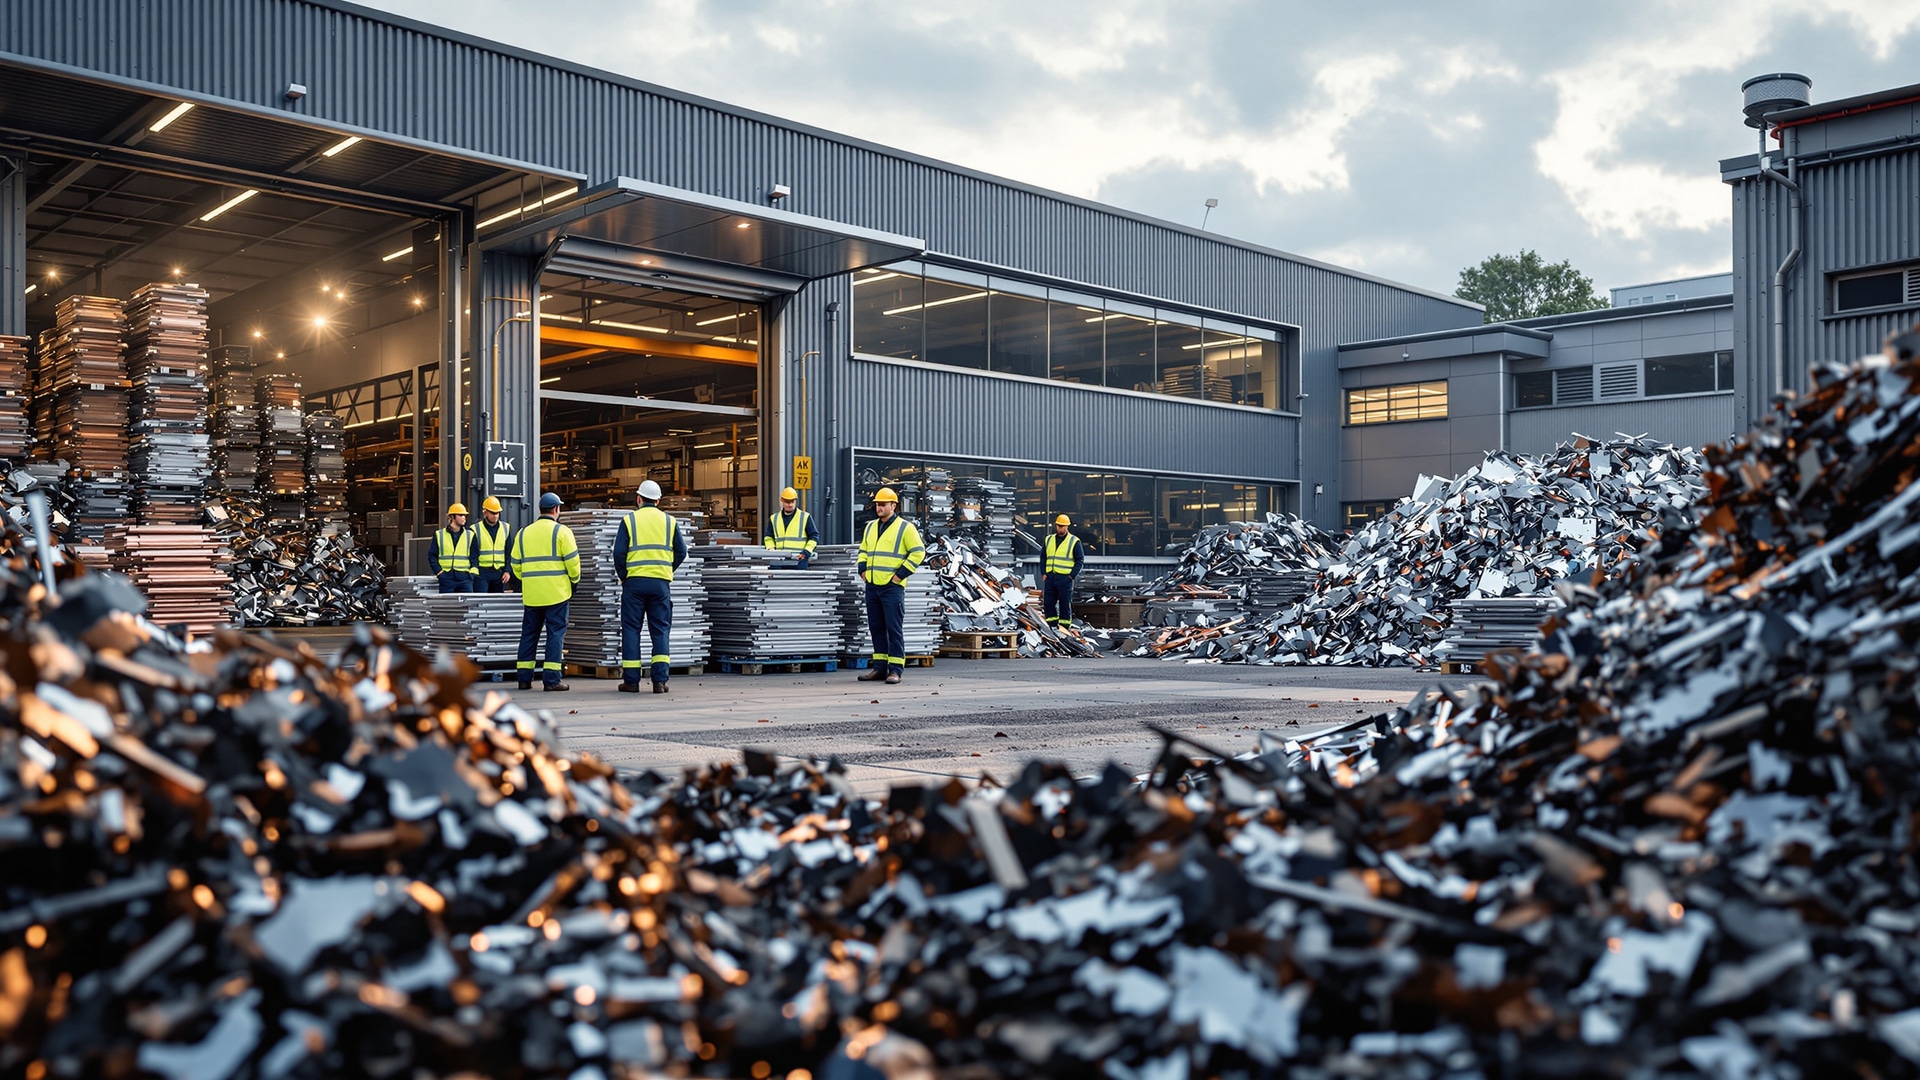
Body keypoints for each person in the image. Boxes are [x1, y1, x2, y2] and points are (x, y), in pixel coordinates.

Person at [612, 479, 687, 693]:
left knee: (631, 630)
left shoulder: (629, 520)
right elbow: (681, 552)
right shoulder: (669, 521)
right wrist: (666, 570)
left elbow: (618, 553)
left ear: (638, 498)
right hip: (660, 584)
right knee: (660, 630)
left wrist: (624, 576)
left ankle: (631, 681)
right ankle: (660, 681)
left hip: (634, 583)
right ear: (658, 500)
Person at [508, 491, 580, 691]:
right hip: (557, 594)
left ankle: (524, 678)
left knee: (529, 634)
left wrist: (528, 580)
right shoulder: (562, 532)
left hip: (532, 595)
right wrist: (574, 581)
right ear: (556, 509)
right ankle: (551, 680)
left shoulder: (523, 533)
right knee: (555, 634)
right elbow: (573, 563)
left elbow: (515, 564)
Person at [856, 487, 924, 685]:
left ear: (893, 505)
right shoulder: (870, 527)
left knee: (893, 629)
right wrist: (862, 569)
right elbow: (863, 550)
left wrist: (900, 575)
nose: (879, 507)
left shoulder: (906, 528)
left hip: (892, 587)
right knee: (876, 627)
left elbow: (918, 552)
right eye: (877, 504)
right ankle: (879, 668)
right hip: (873, 584)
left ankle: (895, 670)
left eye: (883, 504)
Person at [1042, 513, 1085, 628]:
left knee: (1064, 604)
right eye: (1059, 526)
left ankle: (1064, 627)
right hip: (1051, 577)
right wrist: (1044, 572)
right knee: (1048, 602)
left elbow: (1080, 560)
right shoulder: (1049, 539)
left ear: (1067, 527)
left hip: (1065, 578)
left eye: (1063, 526)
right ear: (1056, 526)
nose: (1060, 528)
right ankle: (1051, 625)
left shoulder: (1074, 541)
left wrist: (1072, 576)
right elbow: (1043, 557)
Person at [762, 486, 818, 568]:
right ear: (781, 500)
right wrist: (771, 550)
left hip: (798, 560)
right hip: (779, 561)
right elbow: (768, 537)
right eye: (787, 502)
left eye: (792, 501)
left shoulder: (805, 517)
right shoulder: (774, 518)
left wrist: (806, 552)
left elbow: (814, 536)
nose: (790, 504)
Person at [431, 502, 477, 593]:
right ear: (452, 517)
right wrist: (439, 572)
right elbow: (432, 555)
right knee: (447, 605)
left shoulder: (470, 535)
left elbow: (475, 556)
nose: (464, 517)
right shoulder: (439, 534)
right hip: (447, 577)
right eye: (461, 515)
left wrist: (472, 574)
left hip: (465, 578)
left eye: (465, 515)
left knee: (467, 606)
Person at [474, 496, 513, 593]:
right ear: (485, 512)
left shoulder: (506, 528)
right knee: (481, 602)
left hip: (499, 573)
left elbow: (509, 552)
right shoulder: (475, 529)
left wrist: (507, 571)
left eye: (497, 513)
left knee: (497, 604)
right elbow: (473, 554)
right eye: (492, 513)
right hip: (481, 572)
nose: (495, 515)